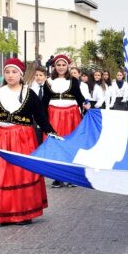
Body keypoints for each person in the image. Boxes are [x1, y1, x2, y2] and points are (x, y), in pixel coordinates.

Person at [0, 58, 56, 225]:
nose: (10, 75)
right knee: (2, 176)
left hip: (24, 138)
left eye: (14, 72)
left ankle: (24, 213)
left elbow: (41, 118)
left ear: (21, 74)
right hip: (2, 138)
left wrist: (52, 133)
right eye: (7, 72)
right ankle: (5, 214)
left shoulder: (29, 94)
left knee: (23, 174)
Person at [43, 55, 85, 188]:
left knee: (70, 144)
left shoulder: (73, 81)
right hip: (54, 114)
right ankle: (58, 177)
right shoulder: (48, 81)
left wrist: (87, 106)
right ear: (54, 66)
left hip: (71, 115)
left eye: (63, 65)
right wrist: (42, 118)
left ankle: (71, 176)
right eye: (58, 65)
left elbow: (79, 97)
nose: (61, 67)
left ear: (67, 66)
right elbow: (44, 100)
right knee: (56, 144)